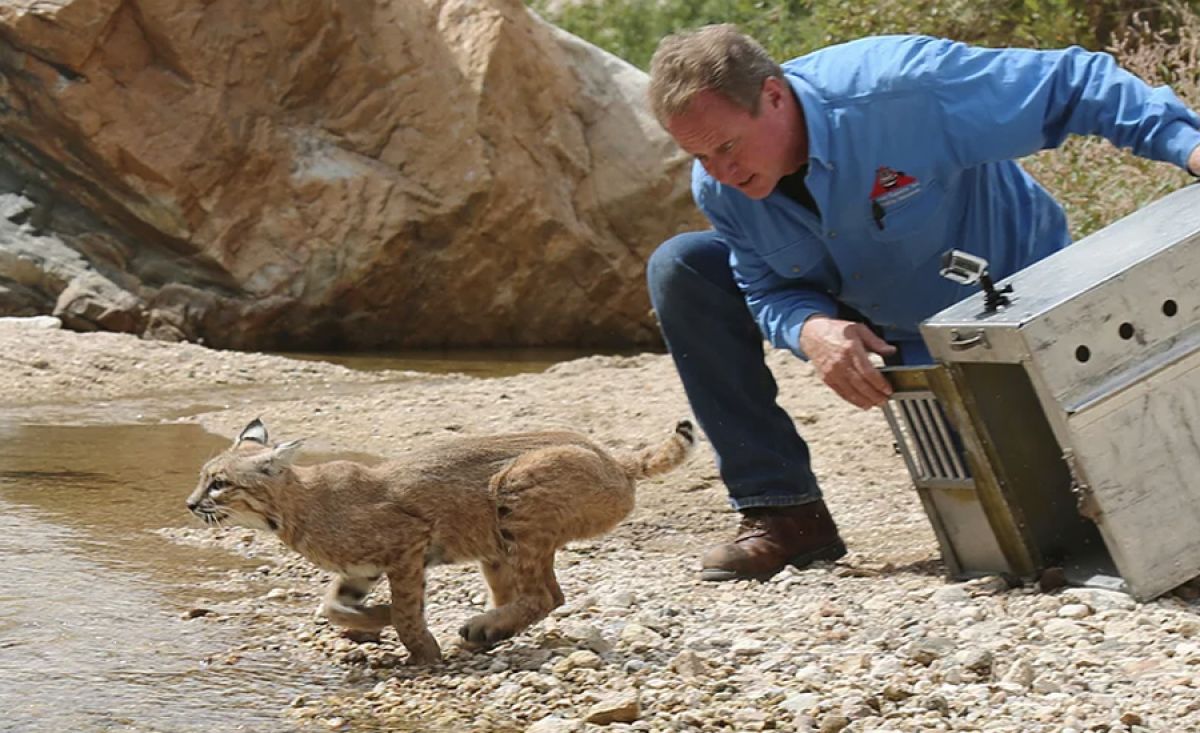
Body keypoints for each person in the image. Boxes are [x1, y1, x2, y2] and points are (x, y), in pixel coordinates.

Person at [645, 24, 1200, 582]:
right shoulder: (720, 188)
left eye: (726, 147)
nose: (721, 173)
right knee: (684, 269)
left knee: (1051, 526)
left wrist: (1189, 146)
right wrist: (809, 327)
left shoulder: (903, 89)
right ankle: (785, 515)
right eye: (699, 156)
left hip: (1007, 311)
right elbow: (765, 287)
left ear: (773, 95)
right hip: (881, 317)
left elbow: (1074, 84)